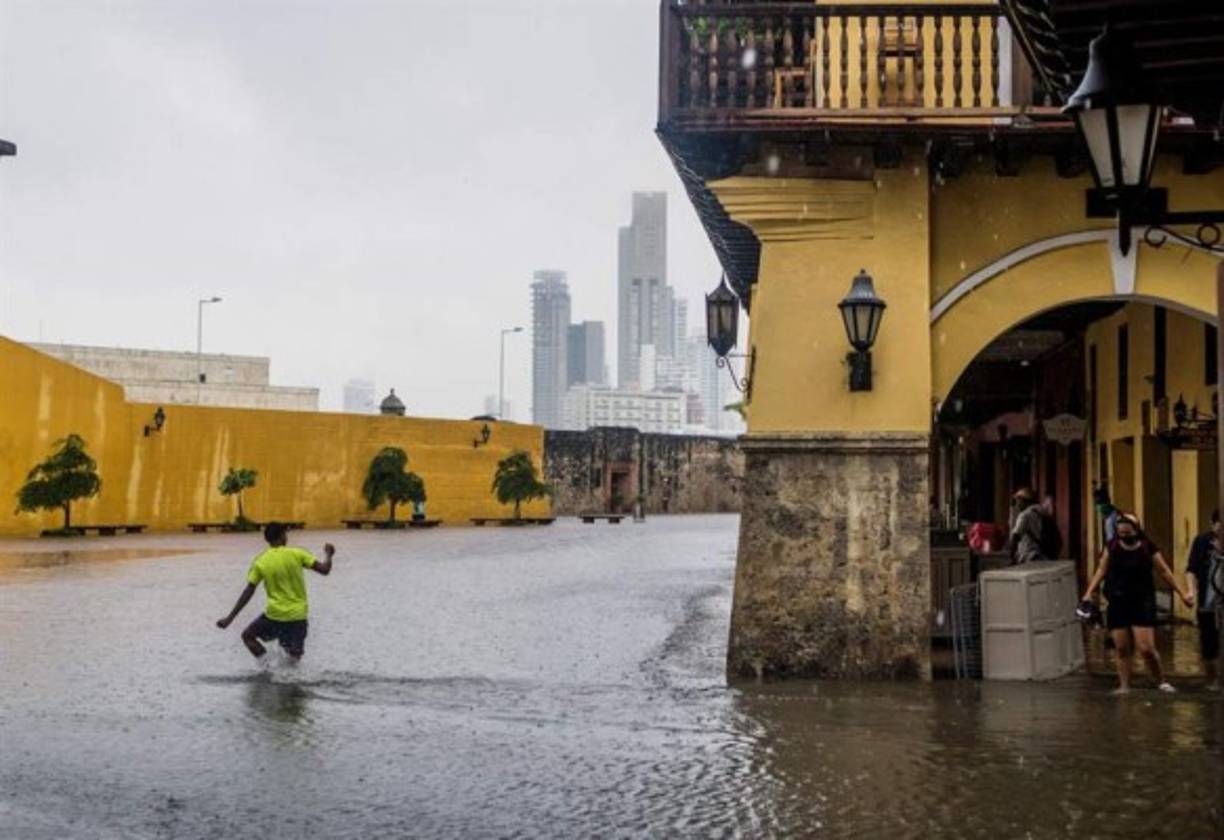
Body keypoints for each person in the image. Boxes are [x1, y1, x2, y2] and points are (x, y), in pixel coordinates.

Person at [1081, 513, 1194, 694]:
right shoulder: (1112, 547)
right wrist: (1088, 593)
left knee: (1146, 648)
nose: (1124, 536)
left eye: (1128, 532)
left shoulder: (1147, 548)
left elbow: (1164, 571)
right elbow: (1101, 570)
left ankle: (1161, 681)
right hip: (1118, 601)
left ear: (1136, 530)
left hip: (1142, 601)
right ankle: (1124, 686)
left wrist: (1182, 594)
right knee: (1122, 648)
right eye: (1121, 533)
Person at [216, 522, 335, 660]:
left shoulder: (261, 561)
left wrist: (229, 618)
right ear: (282, 536)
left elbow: (248, 591)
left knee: (247, 636)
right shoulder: (297, 554)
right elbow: (325, 570)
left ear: (268, 540)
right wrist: (329, 554)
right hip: (297, 617)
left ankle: (267, 666)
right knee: (293, 661)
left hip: (274, 617)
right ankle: (286, 676)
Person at [1186, 510, 1223, 691]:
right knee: (1208, 642)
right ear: (1213, 524)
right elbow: (1192, 568)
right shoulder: (1201, 542)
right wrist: (1191, 591)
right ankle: (1213, 680)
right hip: (1207, 602)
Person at [1008, 488, 1046, 564]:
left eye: (1018, 500)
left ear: (1023, 501)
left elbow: (1015, 537)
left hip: (1029, 556)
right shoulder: (1042, 512)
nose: (1017, 504)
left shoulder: (1025, 515)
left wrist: (1011, 557)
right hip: (1043, 556)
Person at [1039, 493, 1064, 560]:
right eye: (1049, 505)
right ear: (1044, 505)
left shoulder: (1051, 520)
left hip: (1051, 556)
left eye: (1053, 505)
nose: (1053, 507)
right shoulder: (1041, 520)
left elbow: (1059, 542)